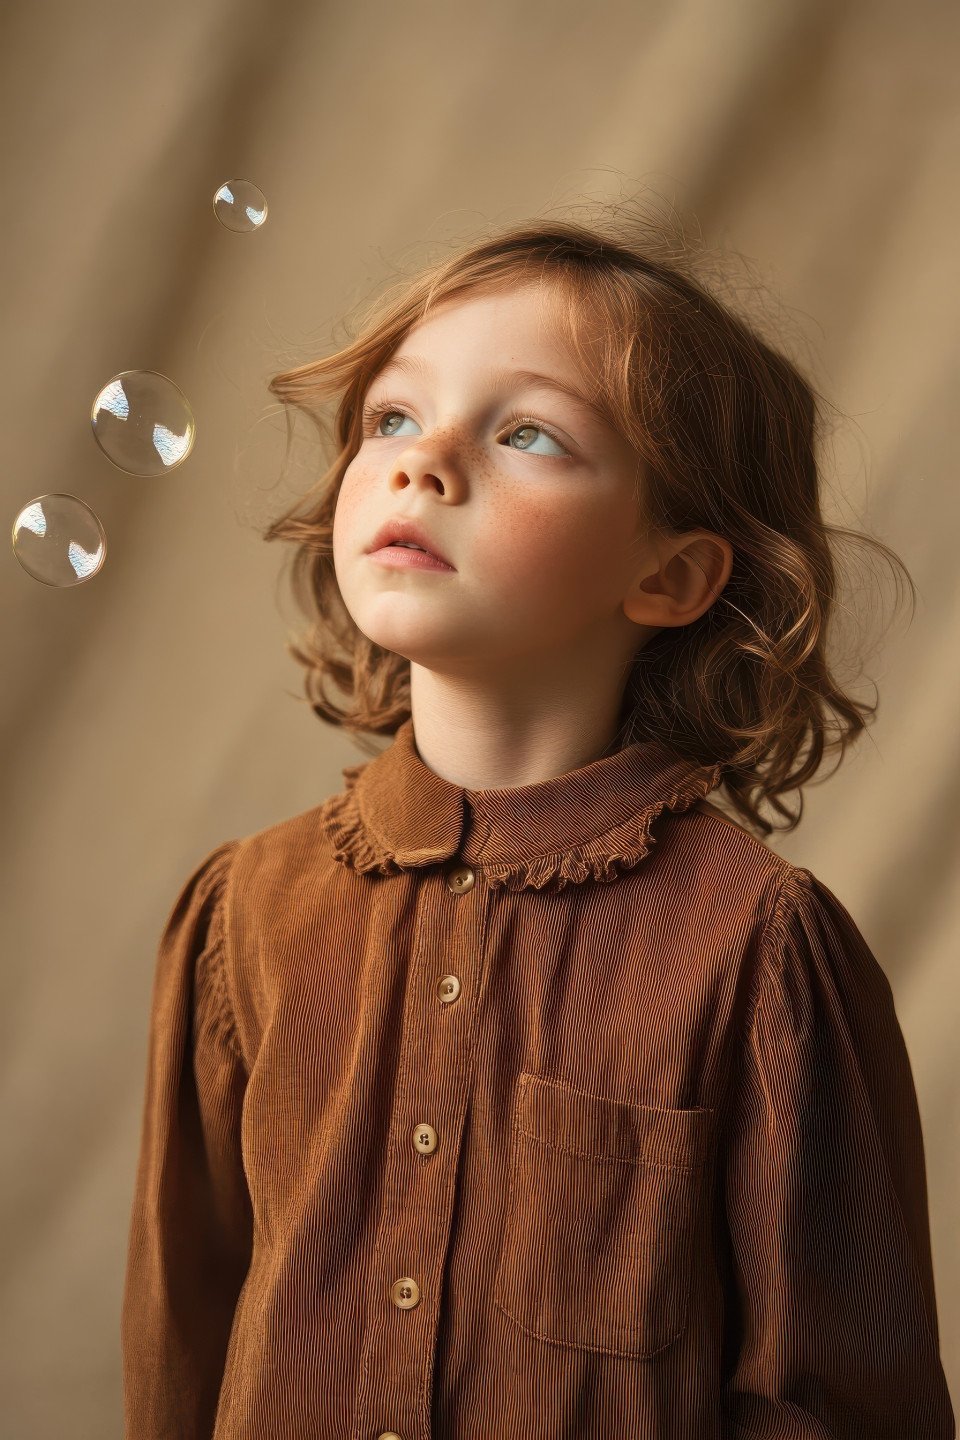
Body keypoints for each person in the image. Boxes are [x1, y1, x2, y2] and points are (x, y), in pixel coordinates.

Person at [120, 213, 956, 1438]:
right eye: (392, 418)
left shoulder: (758, 948)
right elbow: (180, 1342)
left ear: (671, 577)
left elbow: (831, 1402)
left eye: (526, 434)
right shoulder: (242, 911)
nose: (422, 462)